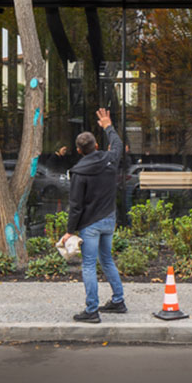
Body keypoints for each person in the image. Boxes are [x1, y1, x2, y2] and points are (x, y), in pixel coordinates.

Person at [59, 106, 126, 322]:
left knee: (88, 265)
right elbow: (117, 145)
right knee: (107, 259)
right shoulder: (110, 159)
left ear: (79, 151)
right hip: (109, 219)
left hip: (91, 224)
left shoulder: (79, 172)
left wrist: (70, 231)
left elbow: (76, 205)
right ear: (96, 146)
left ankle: (91, 310)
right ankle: (118, 300)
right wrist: (108, 126)